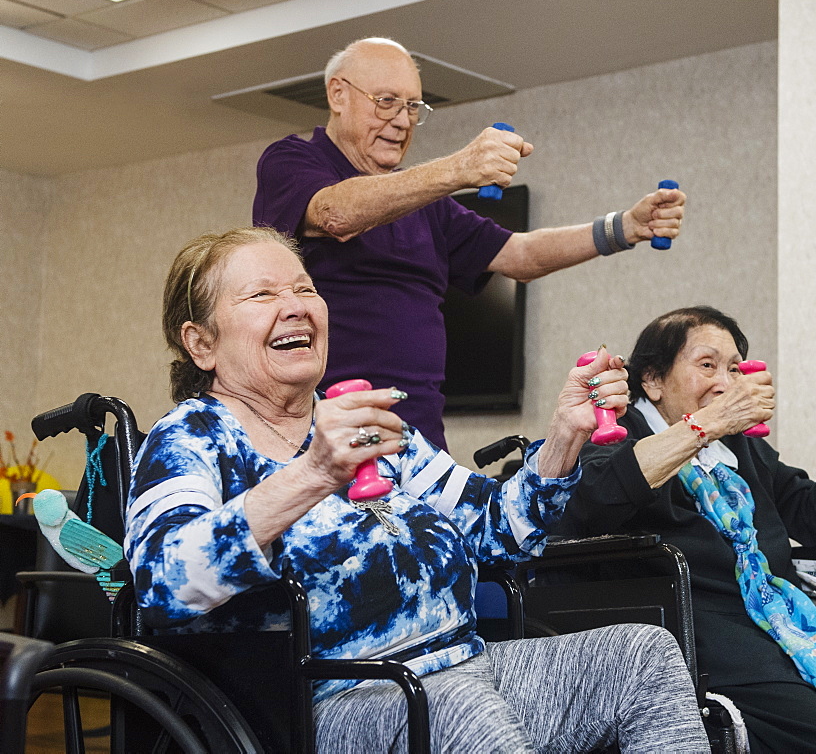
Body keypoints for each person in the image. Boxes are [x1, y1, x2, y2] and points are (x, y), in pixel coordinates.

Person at [124, 227, 709, 753]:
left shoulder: (367, 422)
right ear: (201, 343)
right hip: (328, 703)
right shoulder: (191, 437)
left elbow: (493, 526)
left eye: (305, 289)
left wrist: (563, 437)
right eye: (262, 295)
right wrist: (313, 474)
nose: (295, 308)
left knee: (645, 657)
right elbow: (164, 581)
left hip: (462, 664)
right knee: (456, 711)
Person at [252, 36, 686, 450]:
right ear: (338, 95)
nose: (402, 121)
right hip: (326, 428)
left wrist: (626, 227)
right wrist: (459, 169)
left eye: (412, 107)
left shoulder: (428, 205)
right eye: (386, 102)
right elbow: (335, 214)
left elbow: (521, 254)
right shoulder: (292, 160)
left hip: (419, 433)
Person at [556, 306, 816, 754]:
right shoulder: (617, 434)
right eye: (707, 365)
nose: (726, 382)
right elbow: (594, 500)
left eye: (734, 368)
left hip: (781, 628)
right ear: (652, 381)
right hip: (698, 638)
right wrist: (709, 424)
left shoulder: (740, 445)